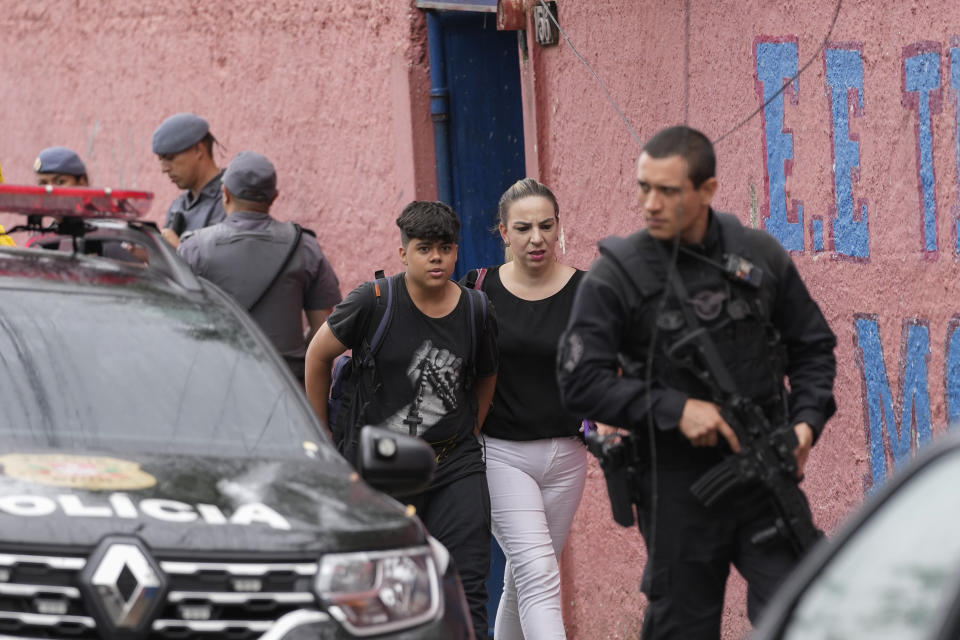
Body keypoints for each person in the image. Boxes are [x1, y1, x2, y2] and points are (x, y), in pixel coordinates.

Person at [556, 126, 837, 639]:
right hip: (678, 486)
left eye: (667, 190)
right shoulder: (615, 277)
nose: (650, 203)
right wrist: (674, 408)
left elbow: (814, 347)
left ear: (707, 190)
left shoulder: (759, 256)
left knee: (809, 617)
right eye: (644, 187)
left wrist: (805, 426)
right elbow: (579, 383)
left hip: (764, 473)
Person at [304, 201, 498, 639]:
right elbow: (317, 356)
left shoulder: (476, 310)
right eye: (424, 248)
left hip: (453, 466)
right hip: (378, 473)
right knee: (372, 593)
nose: (436, 258)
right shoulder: (372, 302)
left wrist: (470, 429)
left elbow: (486, 376)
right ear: (403, 253)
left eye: (445, 249)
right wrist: (323, 438)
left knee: (467, 591)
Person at [462, 178, 587, 640]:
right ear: (503, 233)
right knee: (538, 573)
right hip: (501, 454)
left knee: (528, 574)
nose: (536, 237)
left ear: (558, 227)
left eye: (546, 225)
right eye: (523, 228)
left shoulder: (588, 290)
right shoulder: (478, 292)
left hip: (569, 458)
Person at [178, 151, 341, 382]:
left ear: (224, 194)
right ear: (274, 197)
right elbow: (323, 330)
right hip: (288, 387)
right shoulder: (304, 246)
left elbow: (180, 328)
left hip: (218, 380)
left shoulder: (194, 247)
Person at [152, 112, 226, 248]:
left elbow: (226, 263)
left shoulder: (230, 199)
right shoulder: (178, 206)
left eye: (170, 158)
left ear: (198, 149)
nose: (164, 169)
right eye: (161, 160)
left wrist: (178, 251)